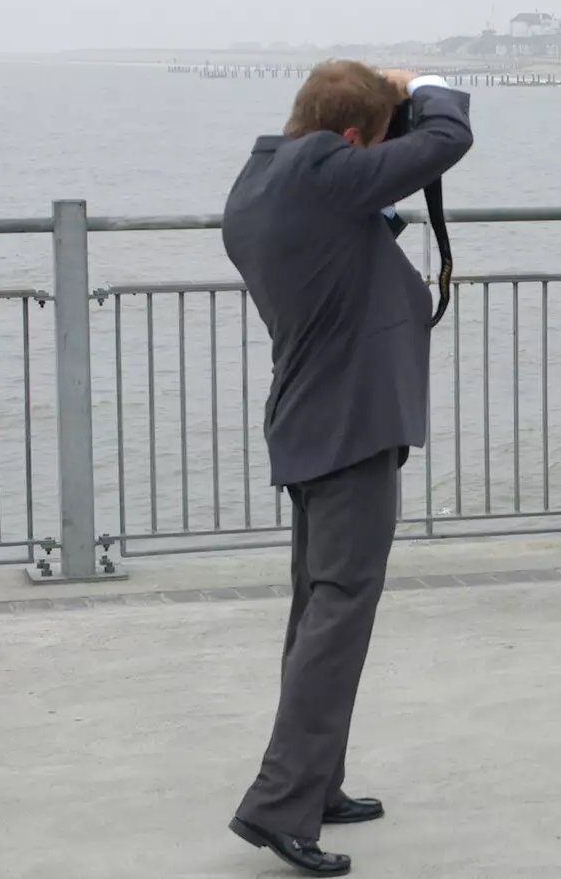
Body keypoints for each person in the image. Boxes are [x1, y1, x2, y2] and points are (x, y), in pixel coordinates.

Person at [221, 60, 473, 875]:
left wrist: (377, 112)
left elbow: (361, 210)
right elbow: (448, 137)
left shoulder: (262, 182)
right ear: (353, 139)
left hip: (313, 421)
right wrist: (427, 85)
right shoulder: (325, 176)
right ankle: (279, 804)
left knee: (316, 608)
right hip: (349, 427)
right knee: (338, 613)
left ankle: (315, 782)